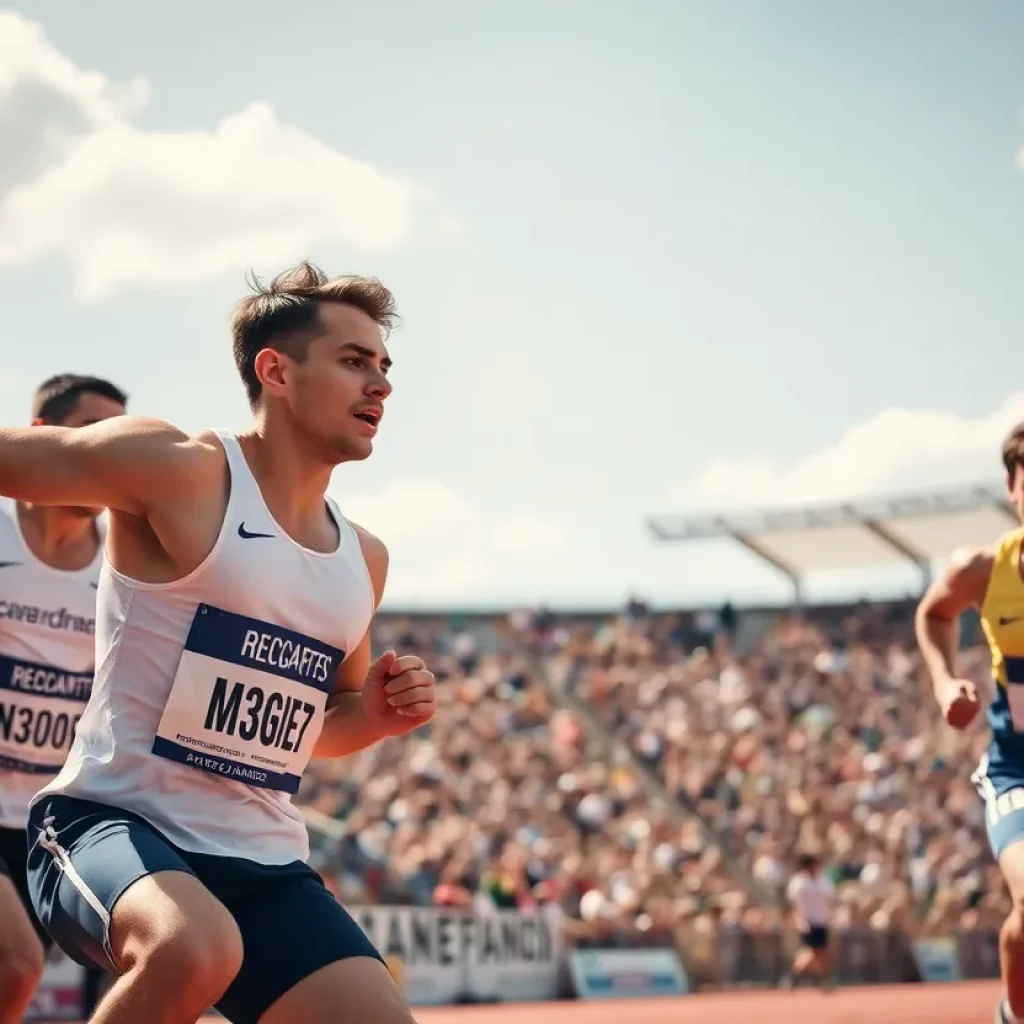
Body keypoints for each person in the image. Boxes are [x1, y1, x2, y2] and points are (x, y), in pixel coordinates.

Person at [7, 262, 437, 1024]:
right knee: (193, 949)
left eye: (383, 366)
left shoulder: (362, 560)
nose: (381, 385)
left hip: (262, 859)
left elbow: (319, 732)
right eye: (352, 361)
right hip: (110, 825)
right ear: (275, 370)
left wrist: (373, 717)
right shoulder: (184, 472)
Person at [0, 374, 127, 1023]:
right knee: (16, 963)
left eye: (120, 441)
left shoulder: (130, 564)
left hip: (52, 823)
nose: (110, 458)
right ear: (43, 441)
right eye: (93, 436)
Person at [916, 419, 1024, 1024]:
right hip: (1018, 768)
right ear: (1013, 489)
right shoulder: (984, 570)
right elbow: (933, 614)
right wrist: (942, 681)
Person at [779, 853, 834, 990]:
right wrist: (800, 919)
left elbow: (831, 898)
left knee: (821, 953)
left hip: (821, 920)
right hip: (808, 921)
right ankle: (791, 976)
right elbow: (795, 903)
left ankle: (821, 979)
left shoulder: (822, 880)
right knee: (810, 951)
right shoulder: (799, 882)